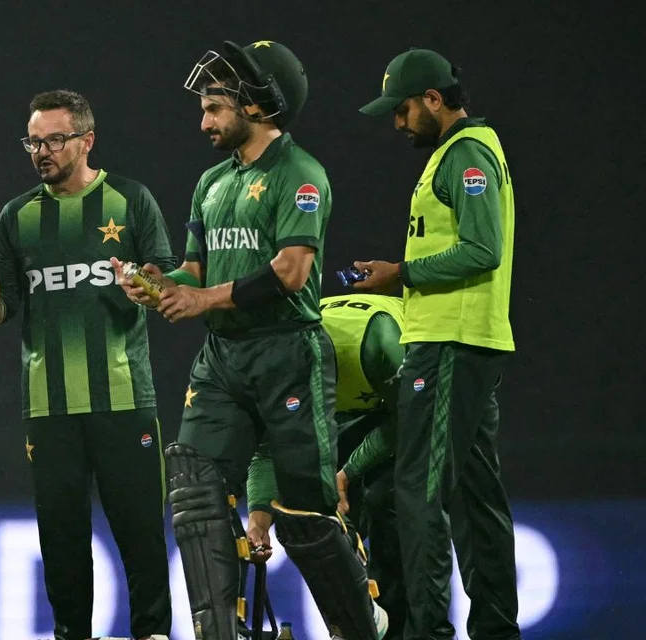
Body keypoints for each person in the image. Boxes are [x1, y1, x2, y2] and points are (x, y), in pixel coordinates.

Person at [118, 40, 387, 640]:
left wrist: (200, 299)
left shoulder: (302, 174)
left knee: (302, 517)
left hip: (288, 351)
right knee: (193, 492)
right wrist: (158, 283)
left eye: (215, 107)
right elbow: (197, 270)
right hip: (223, 358)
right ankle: (218, 634)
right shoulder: (213, 181)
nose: (204, 121)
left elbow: (291, 272)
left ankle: (360, 625)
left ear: (259, 106)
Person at [0, 89, 173, 640]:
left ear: (86, 140)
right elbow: (11, 307)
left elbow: (169, 279)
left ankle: (153, 634)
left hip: (124, 399)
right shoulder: (17, 217)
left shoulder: (131, 200)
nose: (41, 151)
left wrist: (146, 286)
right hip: (49, 407)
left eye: (54, 139)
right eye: (34, 141)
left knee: (142, 536)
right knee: (62, 540)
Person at [354, 48, 521, 640]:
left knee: (418, 491)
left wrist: (399, 274)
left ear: (432, 99)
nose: (398, 124)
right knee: (477, 496)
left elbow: (483, 249)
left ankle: (427, 633)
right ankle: (498, 630)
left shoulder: (466, 153)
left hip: (449, 343)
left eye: (401, 111)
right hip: (465, 341)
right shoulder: (460, 154)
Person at [246, 293, 407, 639]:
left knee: (384, 500)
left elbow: (410, 420)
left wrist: (348, 472)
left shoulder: (379, 341)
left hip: (402, 401)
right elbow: (267, 450)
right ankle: (354, 619)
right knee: (311, 506)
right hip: (344, 407)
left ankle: (401, 628)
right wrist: (259, 519)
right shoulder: (275, 367)